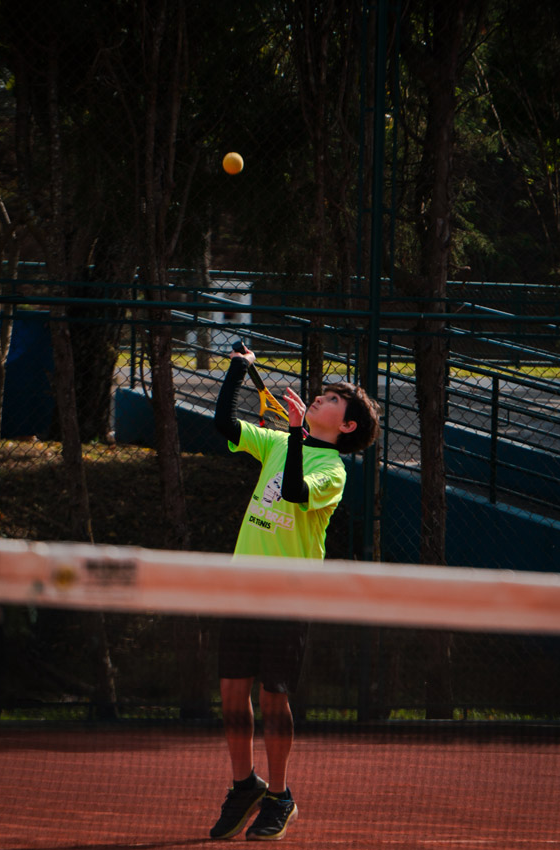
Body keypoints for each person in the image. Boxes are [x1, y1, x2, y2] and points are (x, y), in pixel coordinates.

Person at [210, 343, 380, 841]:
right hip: (243, 586)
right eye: (323, 394)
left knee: (273, 698)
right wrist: (237, 368)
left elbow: (293, 492)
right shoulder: (278, 443)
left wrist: (295, 434)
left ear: (346, 425)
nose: (320, 398)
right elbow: (224, 424)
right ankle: (244, 784)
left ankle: (280, 796)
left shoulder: (333, 471)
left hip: (289, 595)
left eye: (333, 400)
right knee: (231, 693)